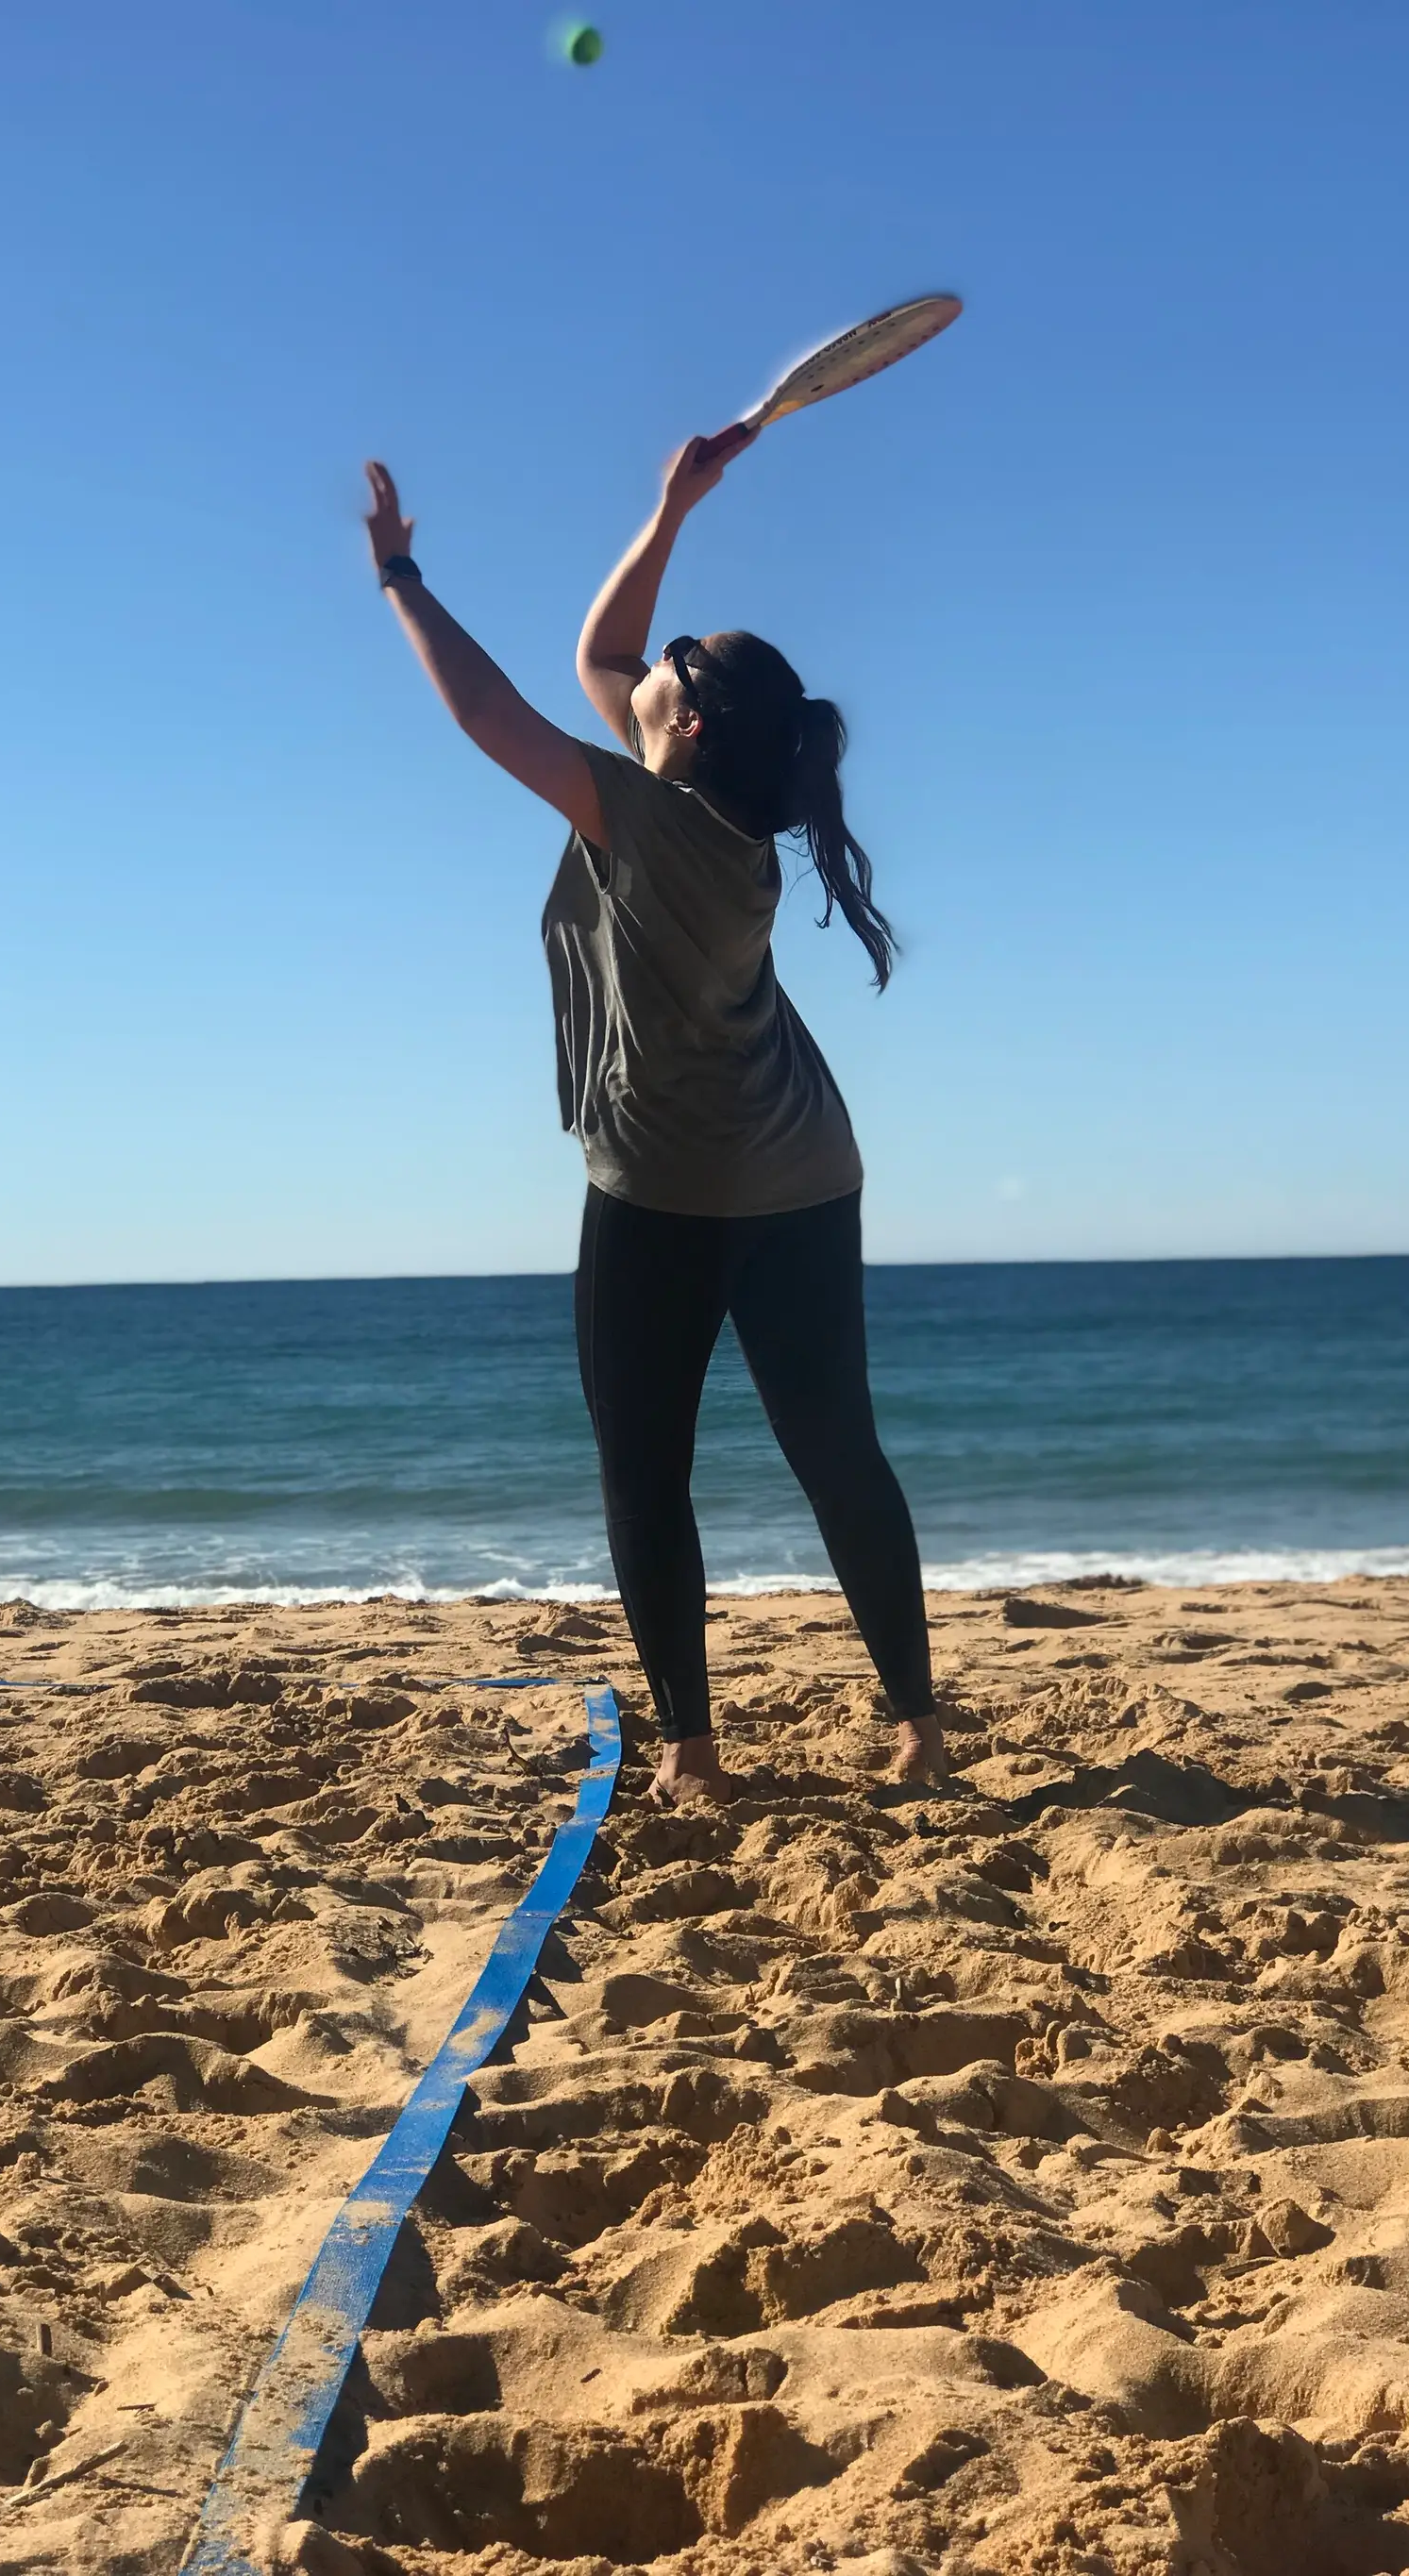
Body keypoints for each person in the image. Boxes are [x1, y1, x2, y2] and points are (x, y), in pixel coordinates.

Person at [364, 429, 948, 1804]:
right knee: (837, 1451)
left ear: (681, 726)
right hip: (802, 1166)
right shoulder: (713, 811)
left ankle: (690, 1746)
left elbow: (493, 709)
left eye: (674, 662)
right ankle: (917, 1722)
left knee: (645, 1465)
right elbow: (599, 656)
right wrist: (672, 508)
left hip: (671, 1182)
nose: (649, 660)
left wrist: (399, 574)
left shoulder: (639, 812)